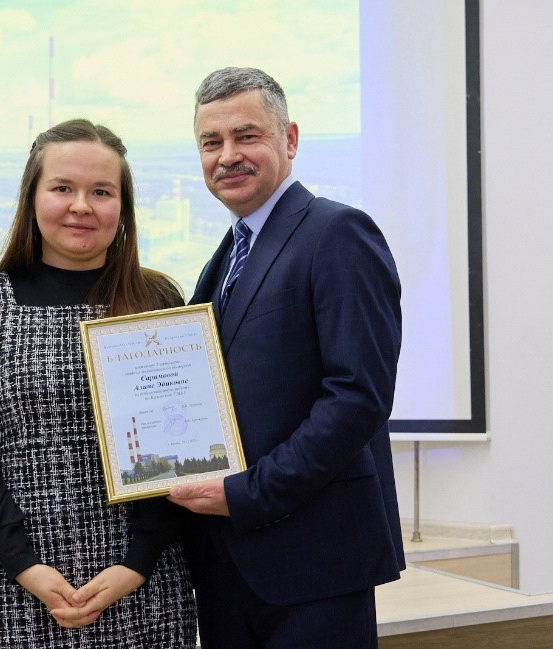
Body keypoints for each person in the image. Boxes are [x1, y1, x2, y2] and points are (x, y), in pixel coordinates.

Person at [167, 67, 406, 648]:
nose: (227, 156)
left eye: (246, 136)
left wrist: (249, 493)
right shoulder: (226, 256)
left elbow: (357, 398)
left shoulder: (338, 233)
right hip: (226, 564)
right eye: (211, 142)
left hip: (314, 564)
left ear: (289, 139)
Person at [0, 118, 197, 648]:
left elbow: (182, 446)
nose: (81, 206)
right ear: (32, 198)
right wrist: (24, 564)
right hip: (12, 582)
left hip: (142, 584)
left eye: (101, 192)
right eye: (62, 188)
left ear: (122, 207)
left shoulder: (157, 301)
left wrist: (137, 562)